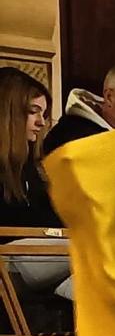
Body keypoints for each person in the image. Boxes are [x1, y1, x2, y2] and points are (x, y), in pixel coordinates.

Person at [0, 68, 58, 228]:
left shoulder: (32, 166)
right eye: (33, 111)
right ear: (8, 113)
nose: (41, 122)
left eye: (44, 114)